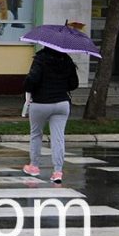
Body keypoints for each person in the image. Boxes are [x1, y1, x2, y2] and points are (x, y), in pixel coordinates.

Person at [22, 47, 79, 183]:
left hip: (40, 103)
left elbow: (31, 82)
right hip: (61, 104)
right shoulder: (67, 61)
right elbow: (74, 84)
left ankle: (34, 166)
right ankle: (58, 172)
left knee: (36, 134)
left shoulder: (40, 59)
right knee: (58, 137)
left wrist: (27, 84)